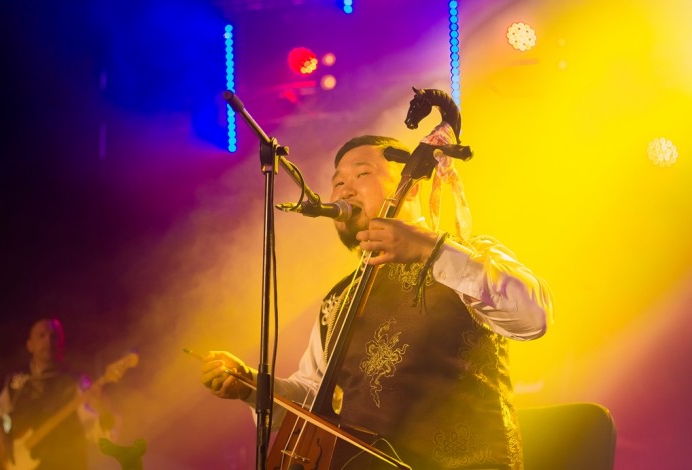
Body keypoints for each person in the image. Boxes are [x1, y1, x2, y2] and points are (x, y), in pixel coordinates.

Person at [201, 134, 553, 470]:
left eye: (362, 174)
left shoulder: (467, 252)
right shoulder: (339, 299)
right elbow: (314, 397)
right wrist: (253, 387)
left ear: (410, 187)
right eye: (338, 182)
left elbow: (532, 316)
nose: (344, 190)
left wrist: (431, 250)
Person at [0, 318, 113, 470]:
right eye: (41, 335)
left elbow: (99, 431)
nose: (48, 340)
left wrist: (103, 411)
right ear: (30, 345)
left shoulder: (77, 382)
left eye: (54, 336)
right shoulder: (17, 382)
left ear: (61, 343)